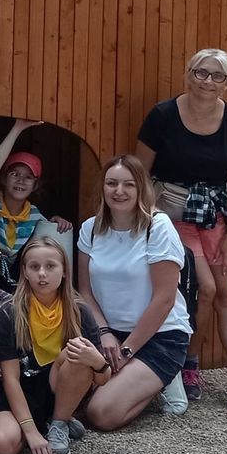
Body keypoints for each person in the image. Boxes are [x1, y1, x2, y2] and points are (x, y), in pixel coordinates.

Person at [134, 47, 227, 417]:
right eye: (201, 72)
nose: (207, 81)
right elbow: (139, 172)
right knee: (204, 288)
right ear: (188, 74)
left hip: (215, 214)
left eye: (217, 76)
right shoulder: (163, 115)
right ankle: (187, 361)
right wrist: (147, 220)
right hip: (171, 210)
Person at [75, 156, 189, 432]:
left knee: (101, 414)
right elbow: (85, 291)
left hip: (159, 336)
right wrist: (104, 332)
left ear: (141, 188)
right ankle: (134, 380)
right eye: (111, 183)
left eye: (129, 184)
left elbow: (164, 299)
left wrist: (126, 352)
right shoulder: (90, 228)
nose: (119, 191)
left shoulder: (158, 227)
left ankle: (162, 381)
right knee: (68, 395)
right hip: (108, 333)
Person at [0, 231, 107, 454]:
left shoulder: (79, 311)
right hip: (21, 393)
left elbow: (102, 379)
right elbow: (10, 379)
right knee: (0, 447)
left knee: (77, 351)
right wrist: (30, 432)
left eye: (50, 266)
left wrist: (97, 361)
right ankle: (41, 426)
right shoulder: (10, 312)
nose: (42, 273)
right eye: (34, 267)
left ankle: (59, 422)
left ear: (64, 271)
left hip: (59, 388)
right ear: (25, 272)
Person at [0, 119, 74, 308]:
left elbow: (48, 235)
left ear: (35, 185)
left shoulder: (35, 216)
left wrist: (56, 222)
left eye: (28, 177)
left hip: (12, 288)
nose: (21, 180)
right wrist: (18, 128)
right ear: (4, 178)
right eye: (15, 174)